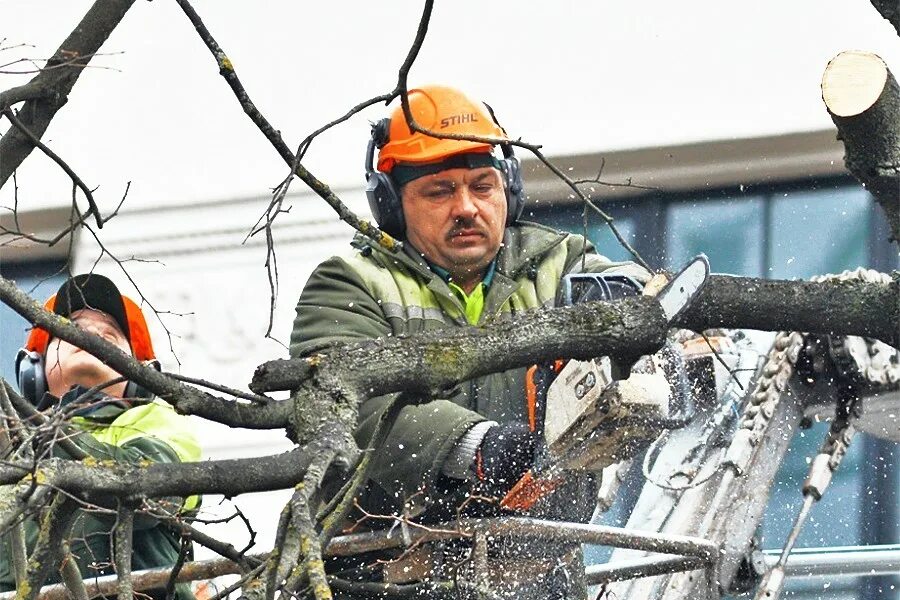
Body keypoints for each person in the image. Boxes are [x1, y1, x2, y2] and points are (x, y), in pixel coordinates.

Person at [290, 85, 649, 597]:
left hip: (538, 579)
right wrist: (477, 448)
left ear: (509, 190)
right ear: (392, 206)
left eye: (483, 186)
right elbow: (349, 401)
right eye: (438, 192)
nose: (466, 208)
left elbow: (633, 301)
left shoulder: (559, 265)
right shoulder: (349, 282)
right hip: (381, 579)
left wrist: (647, 331)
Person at [0, 273, 200, 600]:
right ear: (34, 369)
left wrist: (47, 438)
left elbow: (155, 494)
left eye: (109, 336)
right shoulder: (10, 449)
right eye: (73, 329)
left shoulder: (154, 419)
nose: (92, 335)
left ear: (139, 376)